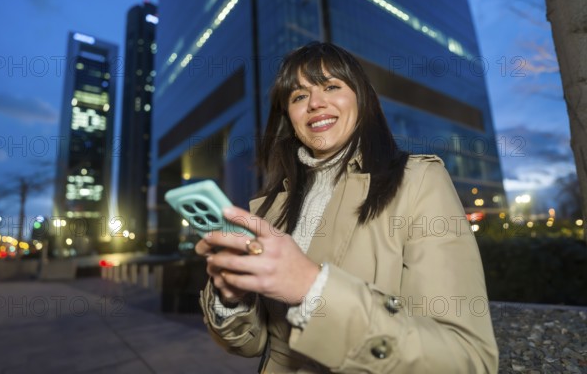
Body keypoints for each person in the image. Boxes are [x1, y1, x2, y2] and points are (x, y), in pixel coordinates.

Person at [195, 42, 499, 373]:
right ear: (289, 118)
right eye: (298, 96)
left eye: (331, 86)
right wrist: (232, 298)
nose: (315, 103)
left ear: (362, 98)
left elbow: (466, 359)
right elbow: (252, 345)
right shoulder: (268, 207)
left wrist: (313, 288)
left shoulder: (420, 180)